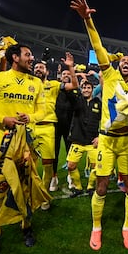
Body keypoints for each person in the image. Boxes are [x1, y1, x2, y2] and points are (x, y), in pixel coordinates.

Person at [70, 0, 128, 250]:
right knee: (102, 185)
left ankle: (126, 227)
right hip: (106, 143)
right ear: (119, 65)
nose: (127, 64)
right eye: (124, 62)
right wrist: (88, 20)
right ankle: (97, 227)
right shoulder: (109, 74)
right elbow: (97, 46)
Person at [0, 43, 48, 254]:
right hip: (0, 144)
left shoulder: (36, 83)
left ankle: (26, 227)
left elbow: (42, 110)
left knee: (25, 189)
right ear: (15, 57)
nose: (32, 58)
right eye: (28, 54)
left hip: (25, 145)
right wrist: (3, 119)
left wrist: (31, 118)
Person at [33, 55, 78, 210]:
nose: (38, 69)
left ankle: (45, 195)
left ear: (47, 71)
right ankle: (27, 193)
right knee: (27, 165)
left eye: (41, 67)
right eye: (36, 67)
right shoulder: (28, 84)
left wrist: (71, 68)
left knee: (48, 163)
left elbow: (74, 85)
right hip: (29, 127)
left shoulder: (53, 85)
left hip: (48, 127)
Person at [65, 80, 102, 196]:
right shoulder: (77, 101)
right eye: (84, 88)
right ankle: (78, 188)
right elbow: (70, 92)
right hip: (77, 141)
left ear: (92, 89)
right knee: (71, 166)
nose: (86, 90)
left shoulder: (98, 103)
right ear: (81, 89)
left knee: (96, 167)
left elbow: (105, 120)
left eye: (88, 88)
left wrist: (100, 136)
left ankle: (91, 187)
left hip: (93, 142)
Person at [51, 63, 76, 192]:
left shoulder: (75, 91)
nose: (66, 75)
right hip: (55, 126)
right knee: (53, 153)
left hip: (69, 128)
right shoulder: (55, 89)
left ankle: (71, 177)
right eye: (64, 74)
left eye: (68, 74)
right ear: (60, 77)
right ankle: (53, 177)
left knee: (70, 154)